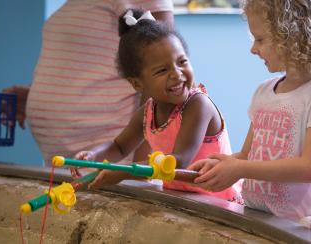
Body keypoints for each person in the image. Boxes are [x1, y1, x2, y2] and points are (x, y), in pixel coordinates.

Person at [188, 0, 311, 242]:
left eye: (260, 39)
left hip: (304, 226)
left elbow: (309, 168)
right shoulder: (263, 93)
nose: (253, 49)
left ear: (292, 36)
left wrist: (239, 169)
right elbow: (248, 155)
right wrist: (220, 164)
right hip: (259, 218)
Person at [72, 8, 240, 201]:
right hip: (183, 202)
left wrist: (124, 172)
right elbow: (119, 147)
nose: (177, 74)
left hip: (220, 204)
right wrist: (92, 156)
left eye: (182, 62)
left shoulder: (197, 105)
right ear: (137, 83)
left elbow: (178, 162)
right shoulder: (147, 113)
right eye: (162, 70)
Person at [3, 0, 174, 165]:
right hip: (71, 163)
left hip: (112, 162)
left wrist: (140, 171)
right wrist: (38, 95)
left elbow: (162, 78)